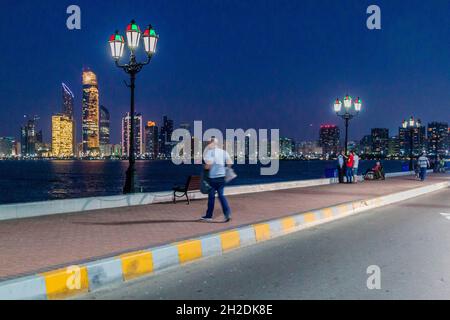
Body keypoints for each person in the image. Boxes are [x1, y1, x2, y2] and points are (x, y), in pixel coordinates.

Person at [201, 138, 233, 223]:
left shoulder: (210, 152)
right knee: (221, 196)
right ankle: (227, 214)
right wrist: (225, 169)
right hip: (222, 177)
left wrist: (204, 167)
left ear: (211, 143)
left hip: (213, 178)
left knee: (211, 197)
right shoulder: (223, 152)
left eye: (209, 143)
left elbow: (208, 166)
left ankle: (208, 216)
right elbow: (230, 163)